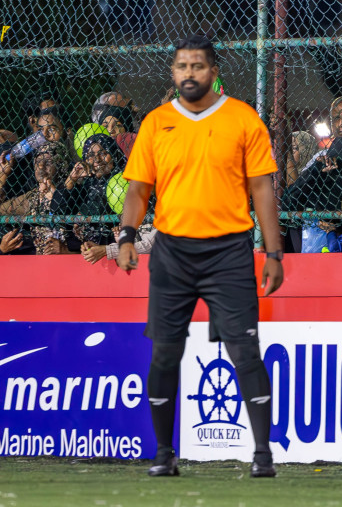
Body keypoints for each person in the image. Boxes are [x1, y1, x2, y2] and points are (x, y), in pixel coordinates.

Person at [114, 36, 283, 478]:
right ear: (173, 73)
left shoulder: (243, 119)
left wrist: (274, 251)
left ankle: (262, 455)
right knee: (165, 355)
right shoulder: (155, 123)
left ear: (213, 71)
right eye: (181, 66)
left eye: (198, 66)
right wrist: (127, 236)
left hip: (229, 251)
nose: (189, 73)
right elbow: (137, 189)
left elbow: (263, 189)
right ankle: (164, 454)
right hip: (172, 254)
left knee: (245, 352)